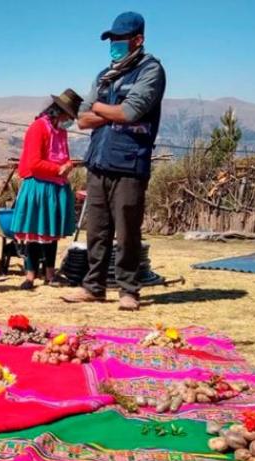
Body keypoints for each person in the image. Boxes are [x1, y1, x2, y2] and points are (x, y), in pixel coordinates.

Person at [63, 12, 166, 311]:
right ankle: (93, 286)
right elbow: (82, 120)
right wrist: (109, 109)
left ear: (138, 40)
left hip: (129, 163)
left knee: (127, 230)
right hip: (98, 161)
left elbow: (130, 113)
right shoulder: (104, 75)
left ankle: (129, 289)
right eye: (112, 40)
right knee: (97, 230)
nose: (115, 45)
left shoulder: (151, 71)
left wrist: (98, 107)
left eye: (120, 40)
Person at [11, 90, 81, 289]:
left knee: (51, 233)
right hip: (38, 186)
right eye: (69, 116)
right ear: (58, 111)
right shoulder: (38, 128)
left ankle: (51, 274)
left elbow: (64, 156)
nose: (70, 121)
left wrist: (66, 166)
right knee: (34, 232)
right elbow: (33, 163)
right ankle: (30, 275)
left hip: (56, 186)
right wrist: (59, 168)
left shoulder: (61, 131)